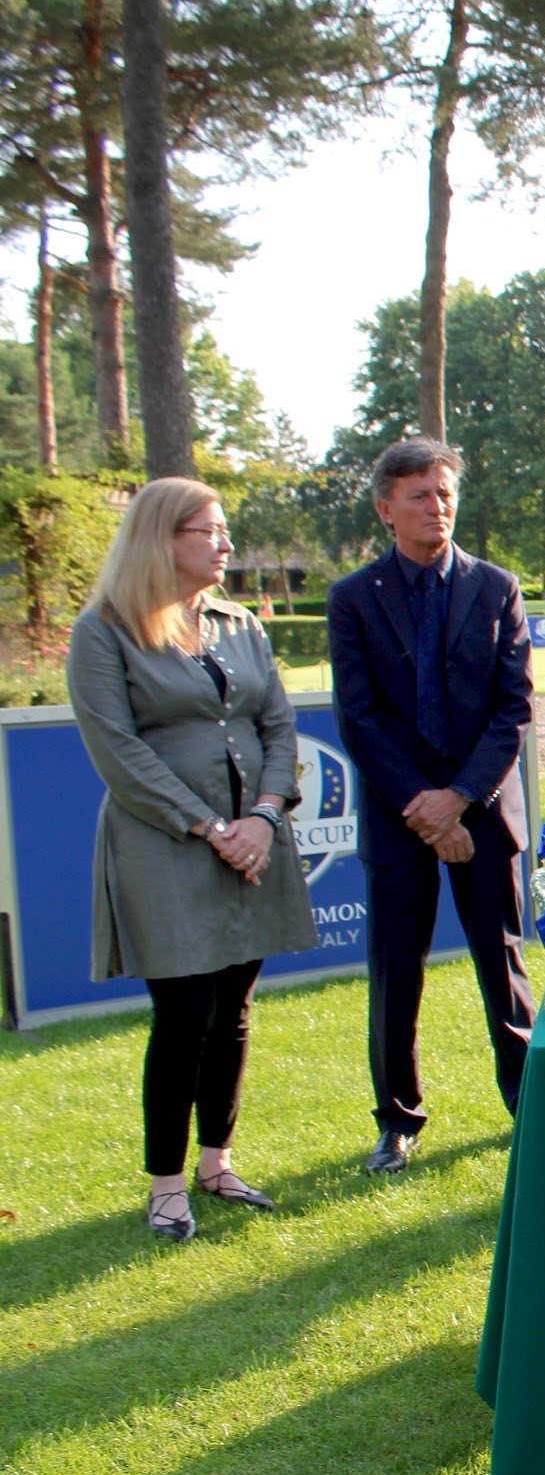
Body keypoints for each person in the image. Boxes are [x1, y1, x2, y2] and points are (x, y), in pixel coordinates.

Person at [68, 479, 320, 1240]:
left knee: (235, 1011)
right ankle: (166, 1184)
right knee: (184, 1014)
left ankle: (218, 1161)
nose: (225, 546)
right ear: (161, 538)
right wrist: (214, 827)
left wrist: (264, 818)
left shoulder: (239, 623)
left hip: (253, 836)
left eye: (223, 531)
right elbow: (119, 753)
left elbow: (278, 726)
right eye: (209, 532)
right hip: (166, 844)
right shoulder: (105, 630)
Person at [327, 438, 536, 1174]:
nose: (436, 507)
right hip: (398, 816)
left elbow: (512, 710)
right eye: (419, 495)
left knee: (502, 960)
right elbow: (359, 716)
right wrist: (423, 806)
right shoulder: (353, 599)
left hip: (480, 811)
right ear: (386, 508)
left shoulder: (495, 588)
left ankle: (527, 1101)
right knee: (395, 970)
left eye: (445, 493)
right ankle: (397, 1119)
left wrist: (457, 800)